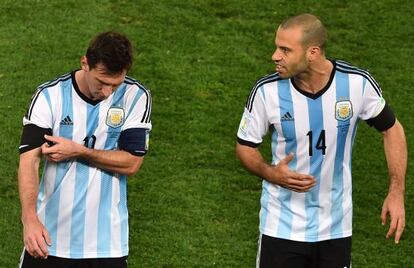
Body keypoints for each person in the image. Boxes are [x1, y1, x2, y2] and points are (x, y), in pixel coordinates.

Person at [236, 13, 406, 268]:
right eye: (276, 47)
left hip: (335, 228)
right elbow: (245, 145)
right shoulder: (266, 91)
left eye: (285, 49)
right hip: (281, 227)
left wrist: (396, 192)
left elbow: (392, 129)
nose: (275, 56)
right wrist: (270, 173)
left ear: (312, 52)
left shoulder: (356, 84)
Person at [18, 31, 152, 267]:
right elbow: (29, 161)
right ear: (85, 63)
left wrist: (79, 151)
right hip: (49, 237)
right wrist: (29, 219)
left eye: (116, 83)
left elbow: (132, 163)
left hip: (106, 245)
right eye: (102, 82)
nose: (108, 92)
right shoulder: (49, 96)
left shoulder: (135, 96)